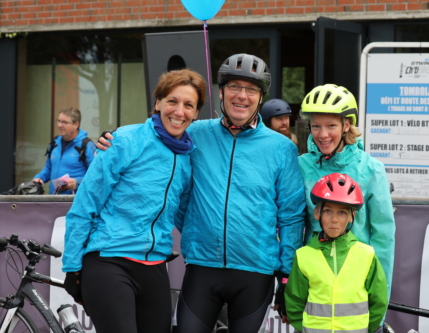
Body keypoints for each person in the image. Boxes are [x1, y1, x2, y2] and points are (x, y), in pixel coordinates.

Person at [98, 54, 306, 333]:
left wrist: (285, 274)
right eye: (234, 87)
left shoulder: (282, 148)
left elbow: (291, 216)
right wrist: (116, 137)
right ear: (221, 92)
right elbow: (157, 136)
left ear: (260, 97)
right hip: (201, 269)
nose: (242, 96)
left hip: (255, 273)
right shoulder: (194, 133)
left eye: (251, 89)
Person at [62, 69, 206, 333]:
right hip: (109, 261)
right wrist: (72, 267)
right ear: (158, 103)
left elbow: (187, 217)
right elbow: (85, 206)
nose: (179, 111)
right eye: (172, 101)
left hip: (154, 267)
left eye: (189, 105)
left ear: (196, 114)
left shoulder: (187, 157)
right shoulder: (125, 141)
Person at [297, 83, 395, 302]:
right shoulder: (301, 166)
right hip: (315, 281)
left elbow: (383, 235)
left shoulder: (372, 169)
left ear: (346, 125)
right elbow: (293, 225)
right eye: (315, 126)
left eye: (331, 125)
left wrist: (380, 294)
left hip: (356, 281)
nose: (322, 135)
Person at [285, 173, 388, 333]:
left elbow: (379, 301)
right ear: (317, 213)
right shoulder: (304, 256)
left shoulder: (366, 255)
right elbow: (294, 301)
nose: (334, 219)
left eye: (342, 213)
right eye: (327, 211)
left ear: (351, 217)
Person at [33, 107, 96, 194]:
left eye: (64, 122)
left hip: (76, 203)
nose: (59, 125)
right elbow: (48, 168)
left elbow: (96, 177)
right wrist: (39, 178)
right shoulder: (54, 143)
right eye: (58, 121)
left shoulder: (87, 146)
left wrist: (77, 183)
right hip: (53, 202)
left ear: (76, 125)